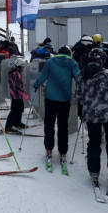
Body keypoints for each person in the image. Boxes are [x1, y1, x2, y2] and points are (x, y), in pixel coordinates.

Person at [76, 49, 108, 199]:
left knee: (94, 144)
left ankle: (94, 172)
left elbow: (78, 96)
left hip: (92, 116)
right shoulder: (107, 75)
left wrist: (82, 110)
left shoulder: (81, 75)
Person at [33, 44, 80, 172]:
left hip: (50, 98)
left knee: (49, 124)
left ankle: (49, 149)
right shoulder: (73, 63)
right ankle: (63, 152)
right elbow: (79, 78)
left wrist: (36, 84)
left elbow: (42, 77)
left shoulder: (50, 62)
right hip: (64, 99)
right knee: (63, 126)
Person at [4, 57, 27, 133]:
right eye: (22, 66)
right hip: (16, 95)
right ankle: (9, 126)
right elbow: (16, 86)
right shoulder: (15, 74)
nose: (23, 68)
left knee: (20, 109)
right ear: (19, 66)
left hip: (18, 95)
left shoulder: (16, 72)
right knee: (15, 110)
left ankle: (17, 123)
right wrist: (24, 93)